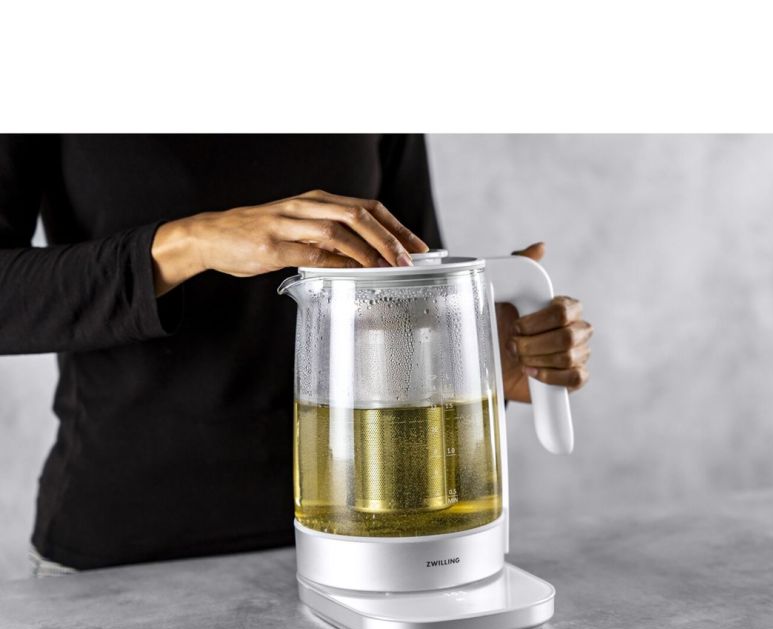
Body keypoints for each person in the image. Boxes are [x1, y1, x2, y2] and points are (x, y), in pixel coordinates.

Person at [0, 134, 592, 575]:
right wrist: (190, 242)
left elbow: (404, 281)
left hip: (364, 547)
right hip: (123, 557)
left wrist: (476, 359)